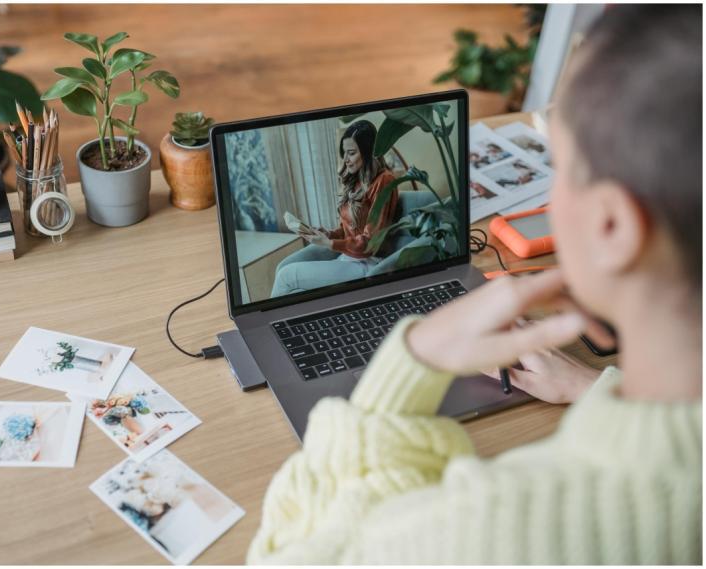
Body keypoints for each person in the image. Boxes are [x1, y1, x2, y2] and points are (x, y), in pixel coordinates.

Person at [249, 5, 701, 564]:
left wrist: (407, 364)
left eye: (558, 167)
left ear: (612, 226)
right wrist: (592, 386)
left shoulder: (495, 523)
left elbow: (285, 555)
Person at [270, 120, 397, 297]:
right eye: (344, 153)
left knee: (286, 277)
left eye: (351, 153)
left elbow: (369, 243)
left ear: (368, 152)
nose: (345, 160)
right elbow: (348, 231)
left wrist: (328, 244)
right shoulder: (356, 180)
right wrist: (328, 234)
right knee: (284, 272)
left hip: (368, 263)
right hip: (349, 258)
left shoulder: (384, 181)